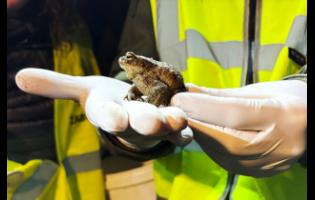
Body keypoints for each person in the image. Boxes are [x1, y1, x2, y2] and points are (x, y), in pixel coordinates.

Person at [13, 0, 307, 200]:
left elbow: (155, 79)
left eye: (129, 61)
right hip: (183, 190)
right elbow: (125, 73)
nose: (126, 61)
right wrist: (128, 132)